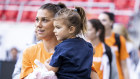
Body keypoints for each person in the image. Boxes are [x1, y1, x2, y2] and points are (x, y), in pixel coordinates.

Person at [20, 3, 66, 79]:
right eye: (37, 20)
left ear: (58, 23)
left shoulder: (70, 51)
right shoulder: (29, 51)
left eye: (44, 20)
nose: (38, 24)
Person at [44, 7, 93, 79]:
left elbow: (52, 69)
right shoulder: (88, 46)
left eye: (58, 27)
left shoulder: (61, 47)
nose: (54, 31)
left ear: (71, 29)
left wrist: (46, 63)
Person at [98, 12, 129, 79]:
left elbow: (124, 66)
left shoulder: (119, 39)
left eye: (104, 20)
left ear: (111, 22)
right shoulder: (95, 40)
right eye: (99, 20)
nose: (100, 23)